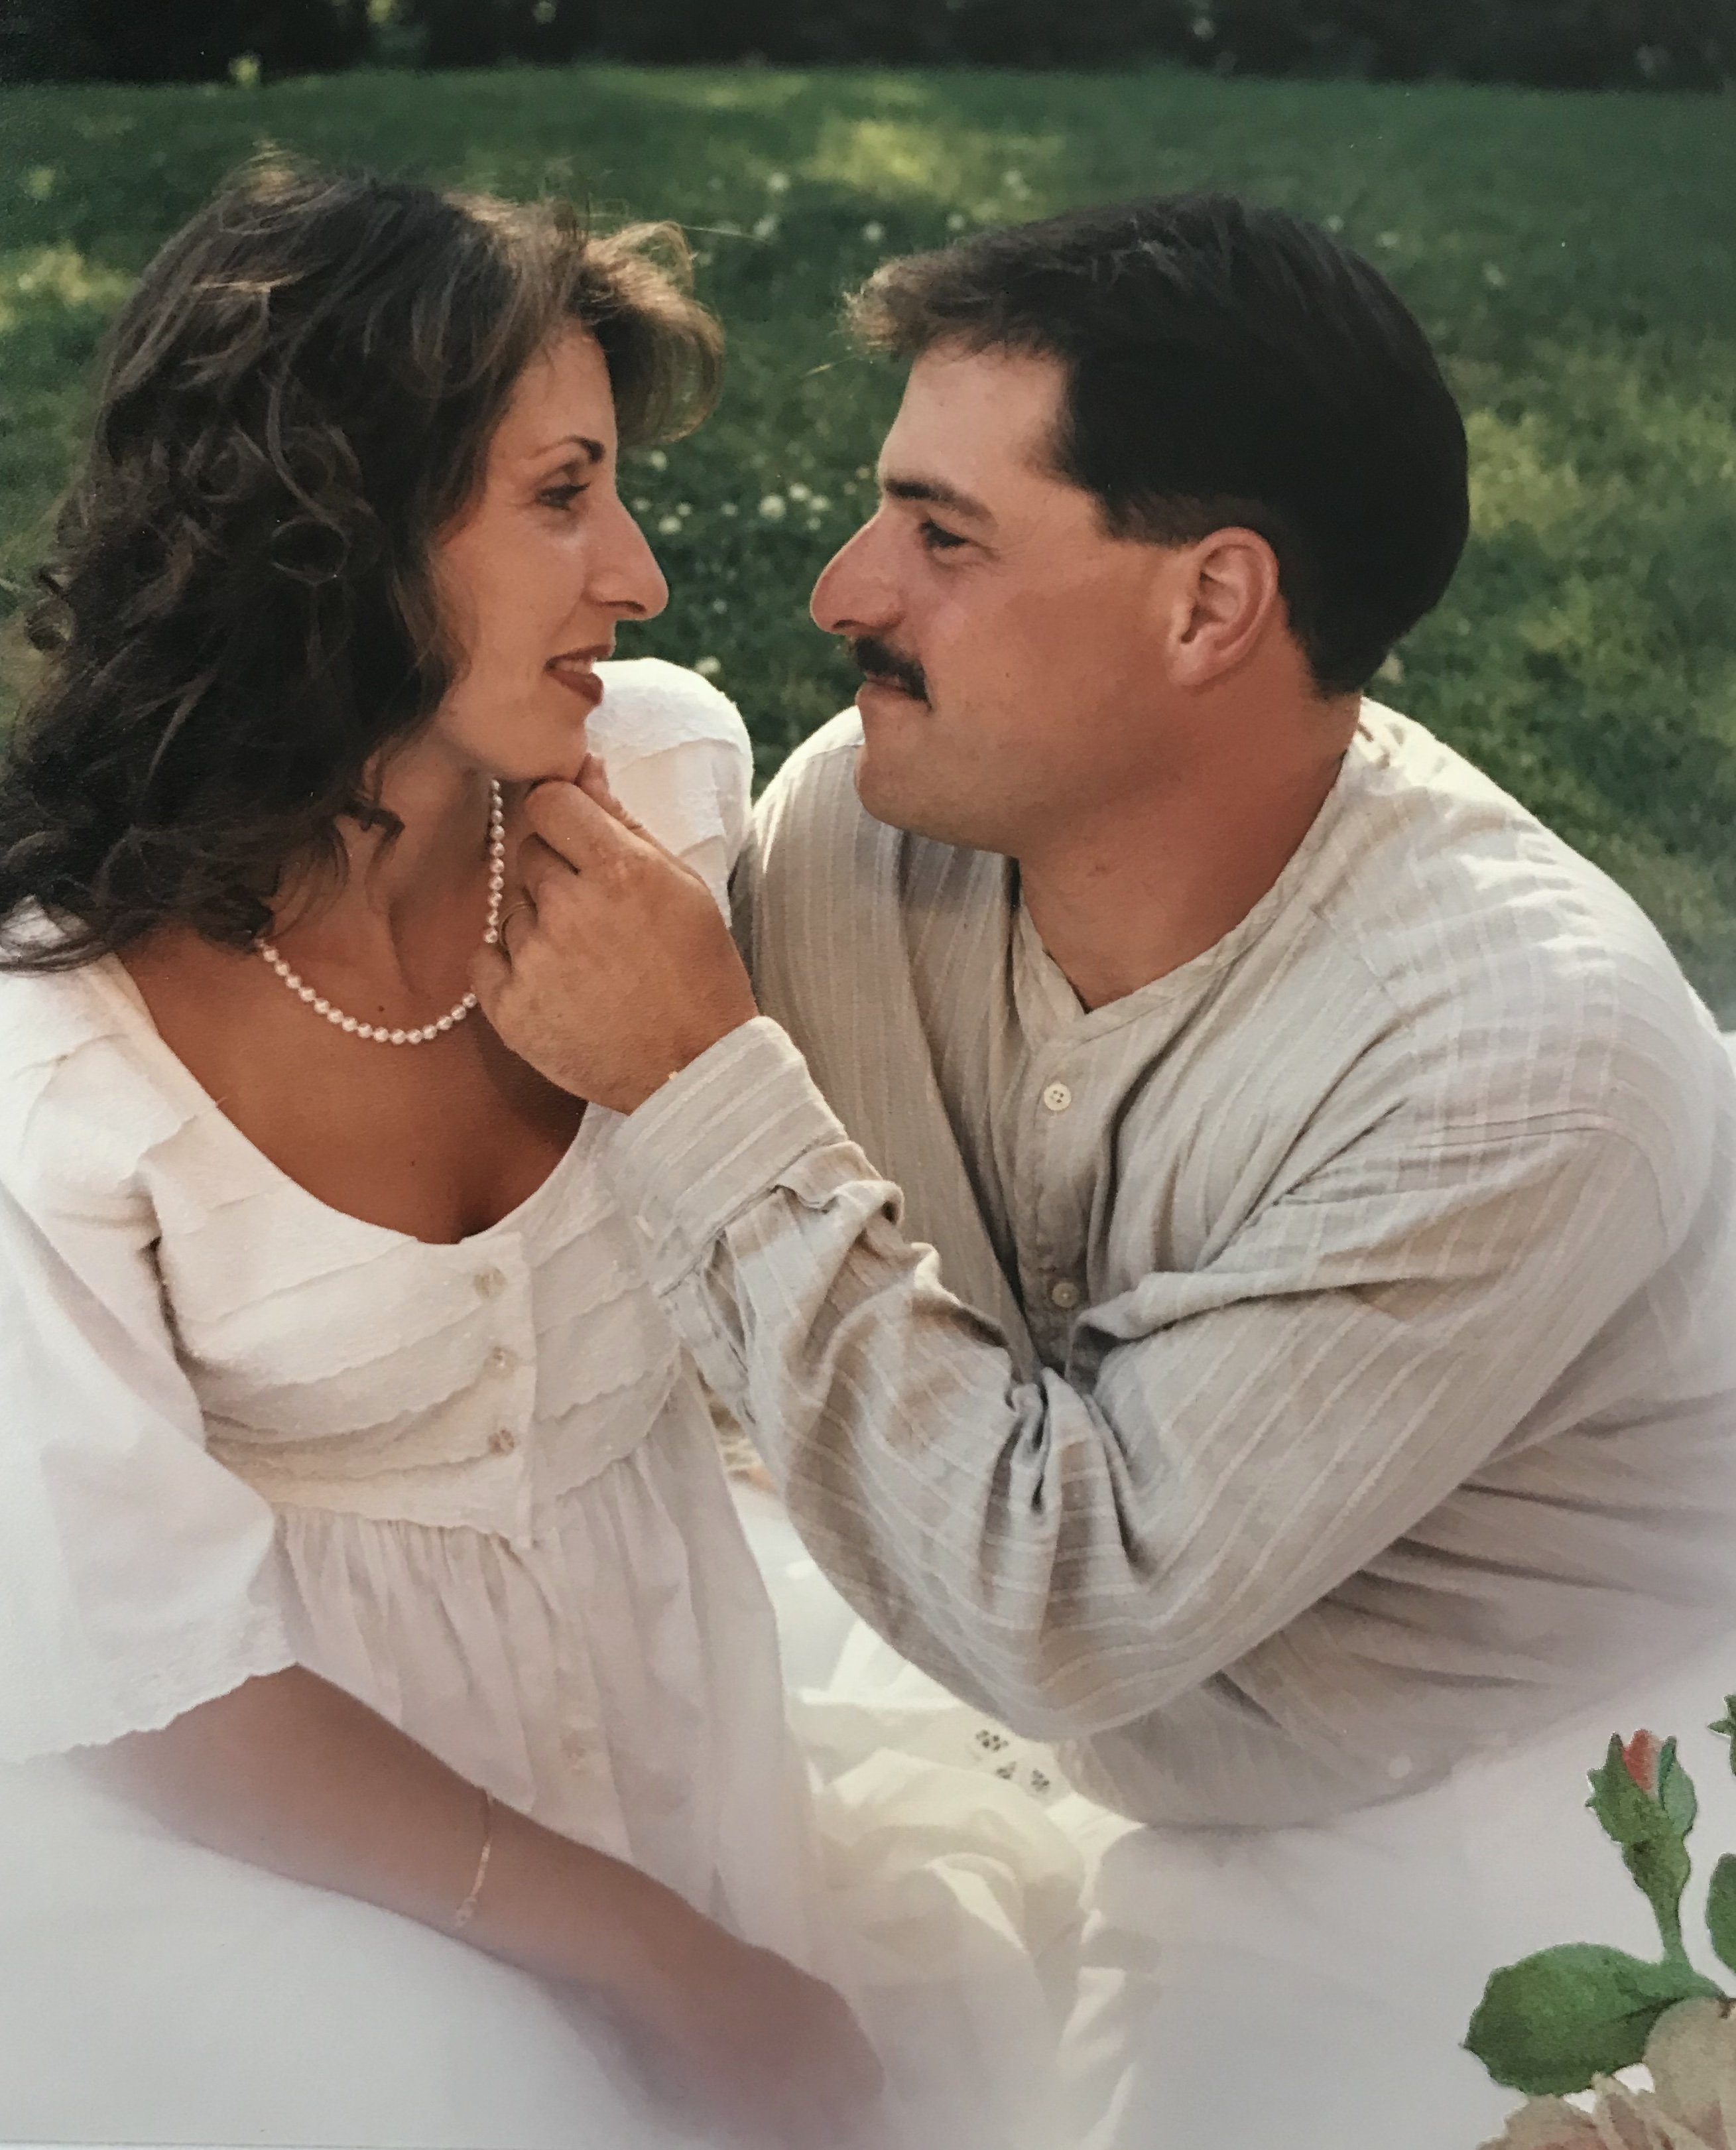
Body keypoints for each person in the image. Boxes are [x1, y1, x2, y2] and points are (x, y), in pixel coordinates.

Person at [475, 195, 1736, 2146]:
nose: (839, 590)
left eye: (943, 535)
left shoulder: (1515, 1062)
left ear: (1210, 607)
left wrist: (698, 1079)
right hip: (1114, 1748)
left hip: (1535, 1804)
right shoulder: (859, 841)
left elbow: (1063, 1603)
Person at [0, 158, 1087, 2150]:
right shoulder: (56, 1050)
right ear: (329, 527)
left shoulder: (659, 786)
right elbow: (152, 1681)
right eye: (562, 495)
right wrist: (666, 1965)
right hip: (295, 1872)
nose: (641, 574)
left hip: (681, 1742)